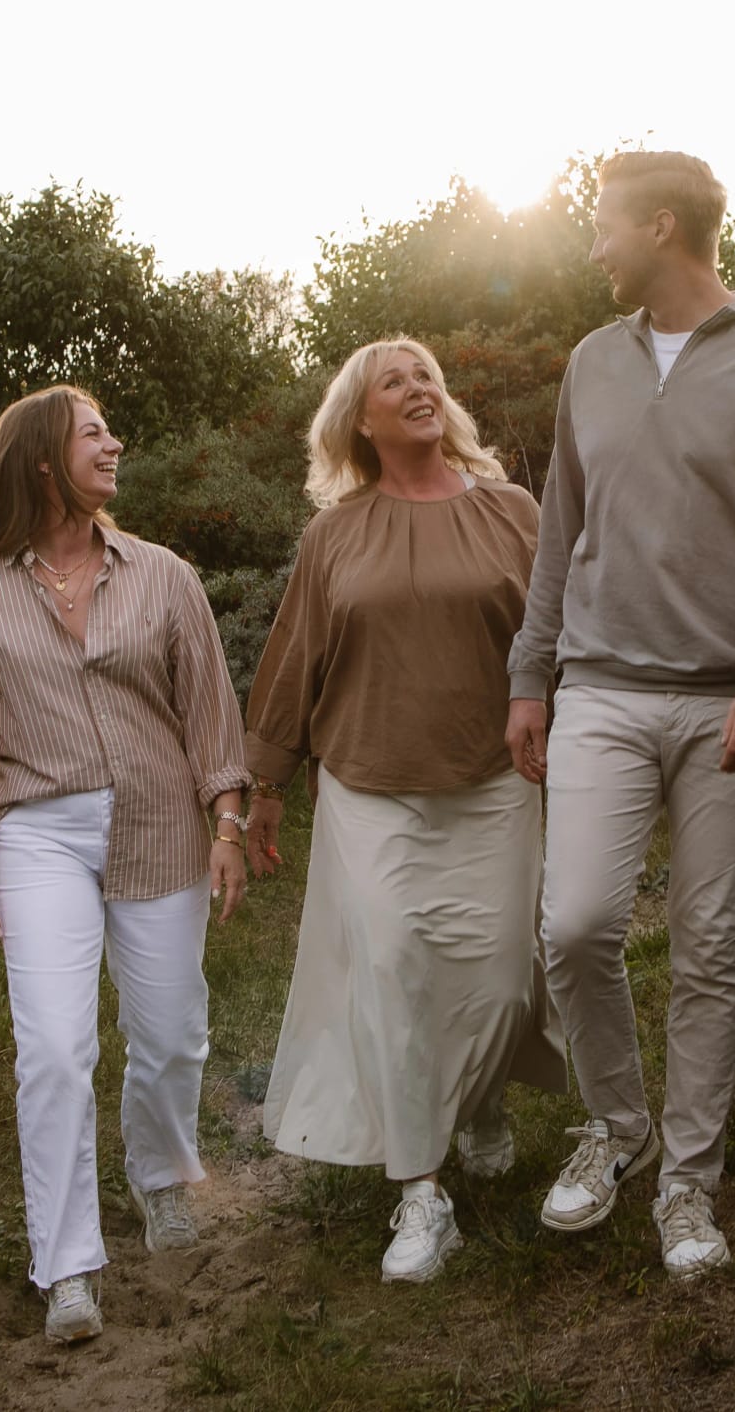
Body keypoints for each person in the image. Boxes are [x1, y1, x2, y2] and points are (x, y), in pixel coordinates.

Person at [505, 151, 735, 1279]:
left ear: (663, 226)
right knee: (574, 924)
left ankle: (688, 1186)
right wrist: (530, 673)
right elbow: (561, 531)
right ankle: (615, 1128)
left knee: (711, 945)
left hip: (734, 703)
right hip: (600, 686)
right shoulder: (589, 363)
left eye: (604, 227)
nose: (593, 249)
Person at [240, 338, 566, 1284]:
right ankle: (421, 1195)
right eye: (395, 381)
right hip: (369, 784)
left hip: (496, 779)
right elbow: (296, 656)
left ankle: (480, 1093)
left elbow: (555, 639)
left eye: (427, 375)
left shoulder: (513, 512)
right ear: (362, 421)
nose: (419, 387)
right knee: (392, 972)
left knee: (503, 979)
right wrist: (264, 783)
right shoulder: (335, 534)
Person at [0, 386, 252, 1346]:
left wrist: (228, 824)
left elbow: (210, 715)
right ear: (43, 461)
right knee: (56, 1050)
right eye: (94, 432)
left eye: (113, 427)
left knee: (170, 1033)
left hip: (162, 824)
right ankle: (67, 1266)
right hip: (37, 831)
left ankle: (159, 1175)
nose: (115, 443)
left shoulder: (164, 575)